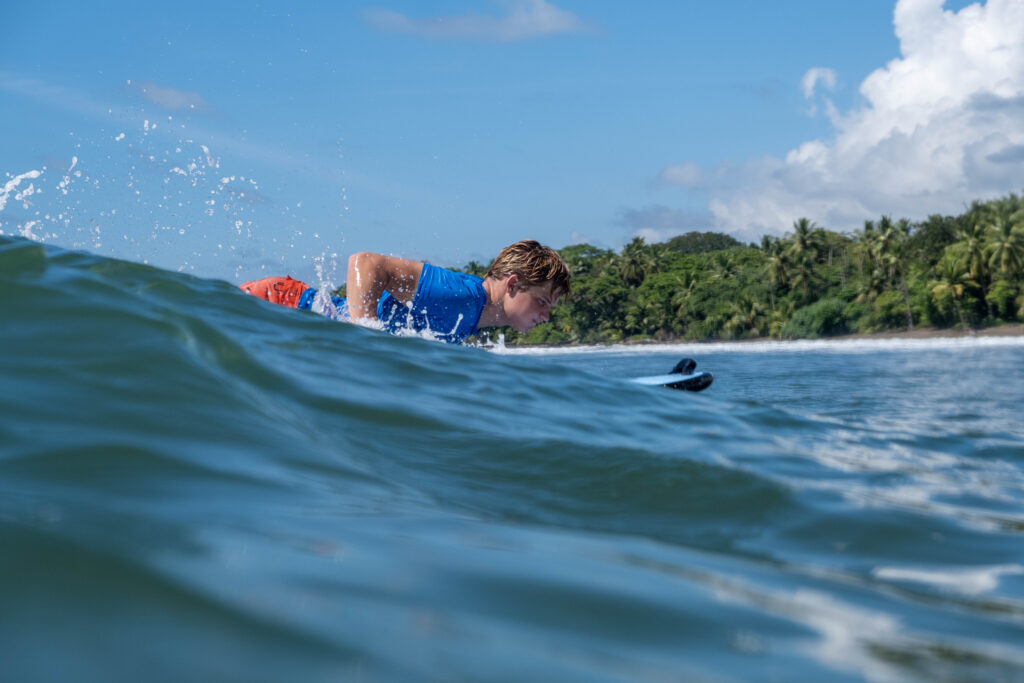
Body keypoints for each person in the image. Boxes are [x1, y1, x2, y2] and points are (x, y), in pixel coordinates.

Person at [239, 240, 571, 344]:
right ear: (512, 285)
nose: (545, 315)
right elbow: (367, 263)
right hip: (281, 305)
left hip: (292, 320)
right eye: (543, 301)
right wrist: (364, 336)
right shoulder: (461, 296)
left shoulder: (471, 317)